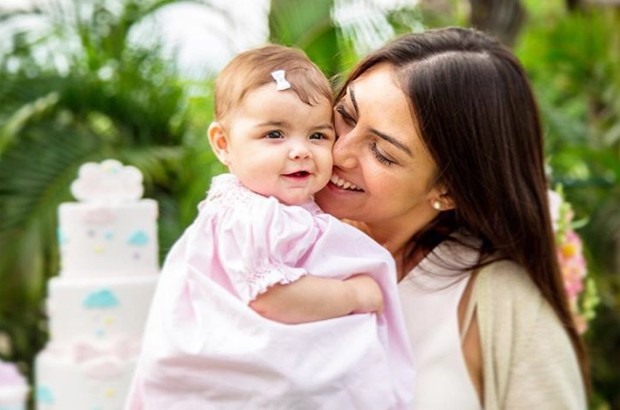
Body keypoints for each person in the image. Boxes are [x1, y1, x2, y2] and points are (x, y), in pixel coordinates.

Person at [312, 27, 588, 409]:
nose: (339, 152)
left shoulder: (503, 307)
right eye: (345, 114)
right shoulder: (273, 234)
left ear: (449, 190)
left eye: (383, 153)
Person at [126, 44, 414, 409]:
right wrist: (356, 296)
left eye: (318, 136)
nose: (300, 151)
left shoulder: (286, 208)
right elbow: (272, 296)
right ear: (223, 144)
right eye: (274, 135)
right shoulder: (249, 214)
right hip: (245, 380)